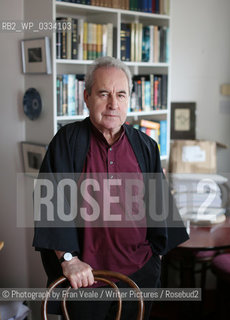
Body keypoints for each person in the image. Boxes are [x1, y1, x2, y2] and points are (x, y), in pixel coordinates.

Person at [33, 56, 188, 319]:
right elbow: (51, 204)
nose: (113, 104)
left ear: (129, 99)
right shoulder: (67, 142)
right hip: (84, 282)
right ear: (86, 97)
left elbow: (159, 210)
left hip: (138, 280)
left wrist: (153, 262)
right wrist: (69, 260)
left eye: (121, 94)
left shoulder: (146, 146)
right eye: (104, 93)